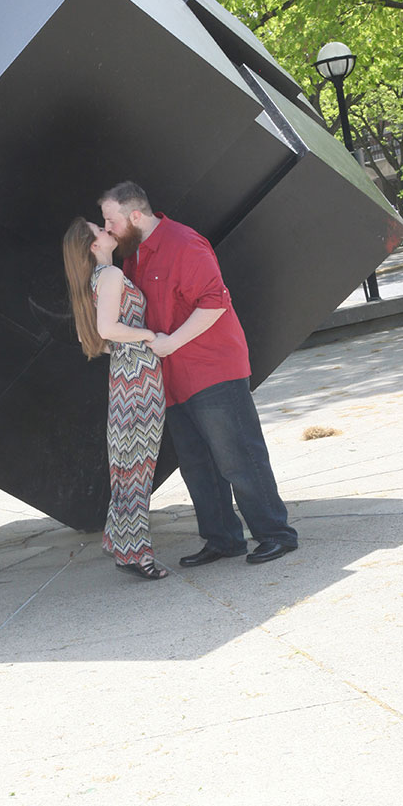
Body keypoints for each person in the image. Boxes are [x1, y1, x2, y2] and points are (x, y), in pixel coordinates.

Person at [98, 182, 297, 567]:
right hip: (169, 377)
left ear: (135, 215)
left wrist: (172, 342)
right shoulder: (134, 255)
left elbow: (215, 303)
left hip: (211, 368)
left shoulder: (184, 243)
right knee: (197, 464)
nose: (108, 228)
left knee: (237, 455)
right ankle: (223, 540)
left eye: (111, 220)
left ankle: (276, 534)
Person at [62, 217, 168, 581]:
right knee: (138, 466)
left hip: (123, 374)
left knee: (127, 465)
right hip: (139, 375)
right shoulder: (108, 276)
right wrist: (148, 336)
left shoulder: (95, 280)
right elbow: (106, 329)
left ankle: (124, 545)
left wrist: (125, 348)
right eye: (100, 231)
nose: (108, 231)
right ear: (94, 246)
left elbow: (87, 335)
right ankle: (137, 553)